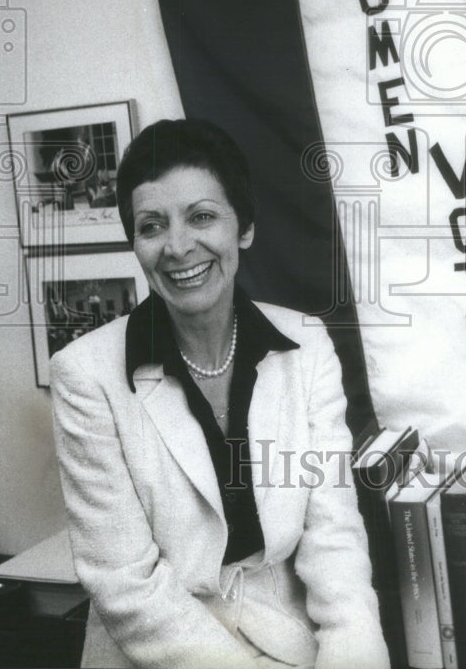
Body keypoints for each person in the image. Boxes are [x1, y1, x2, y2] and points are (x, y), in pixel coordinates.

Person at [50, 118, 390, 669]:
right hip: (154, 652)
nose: (179, 247)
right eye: (152, 226)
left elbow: (336, 538)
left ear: (244, 228)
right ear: (135, 243)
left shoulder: (306, 345)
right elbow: (125, 585)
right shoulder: (84, 376)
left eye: (202, 216)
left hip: (287, 638)